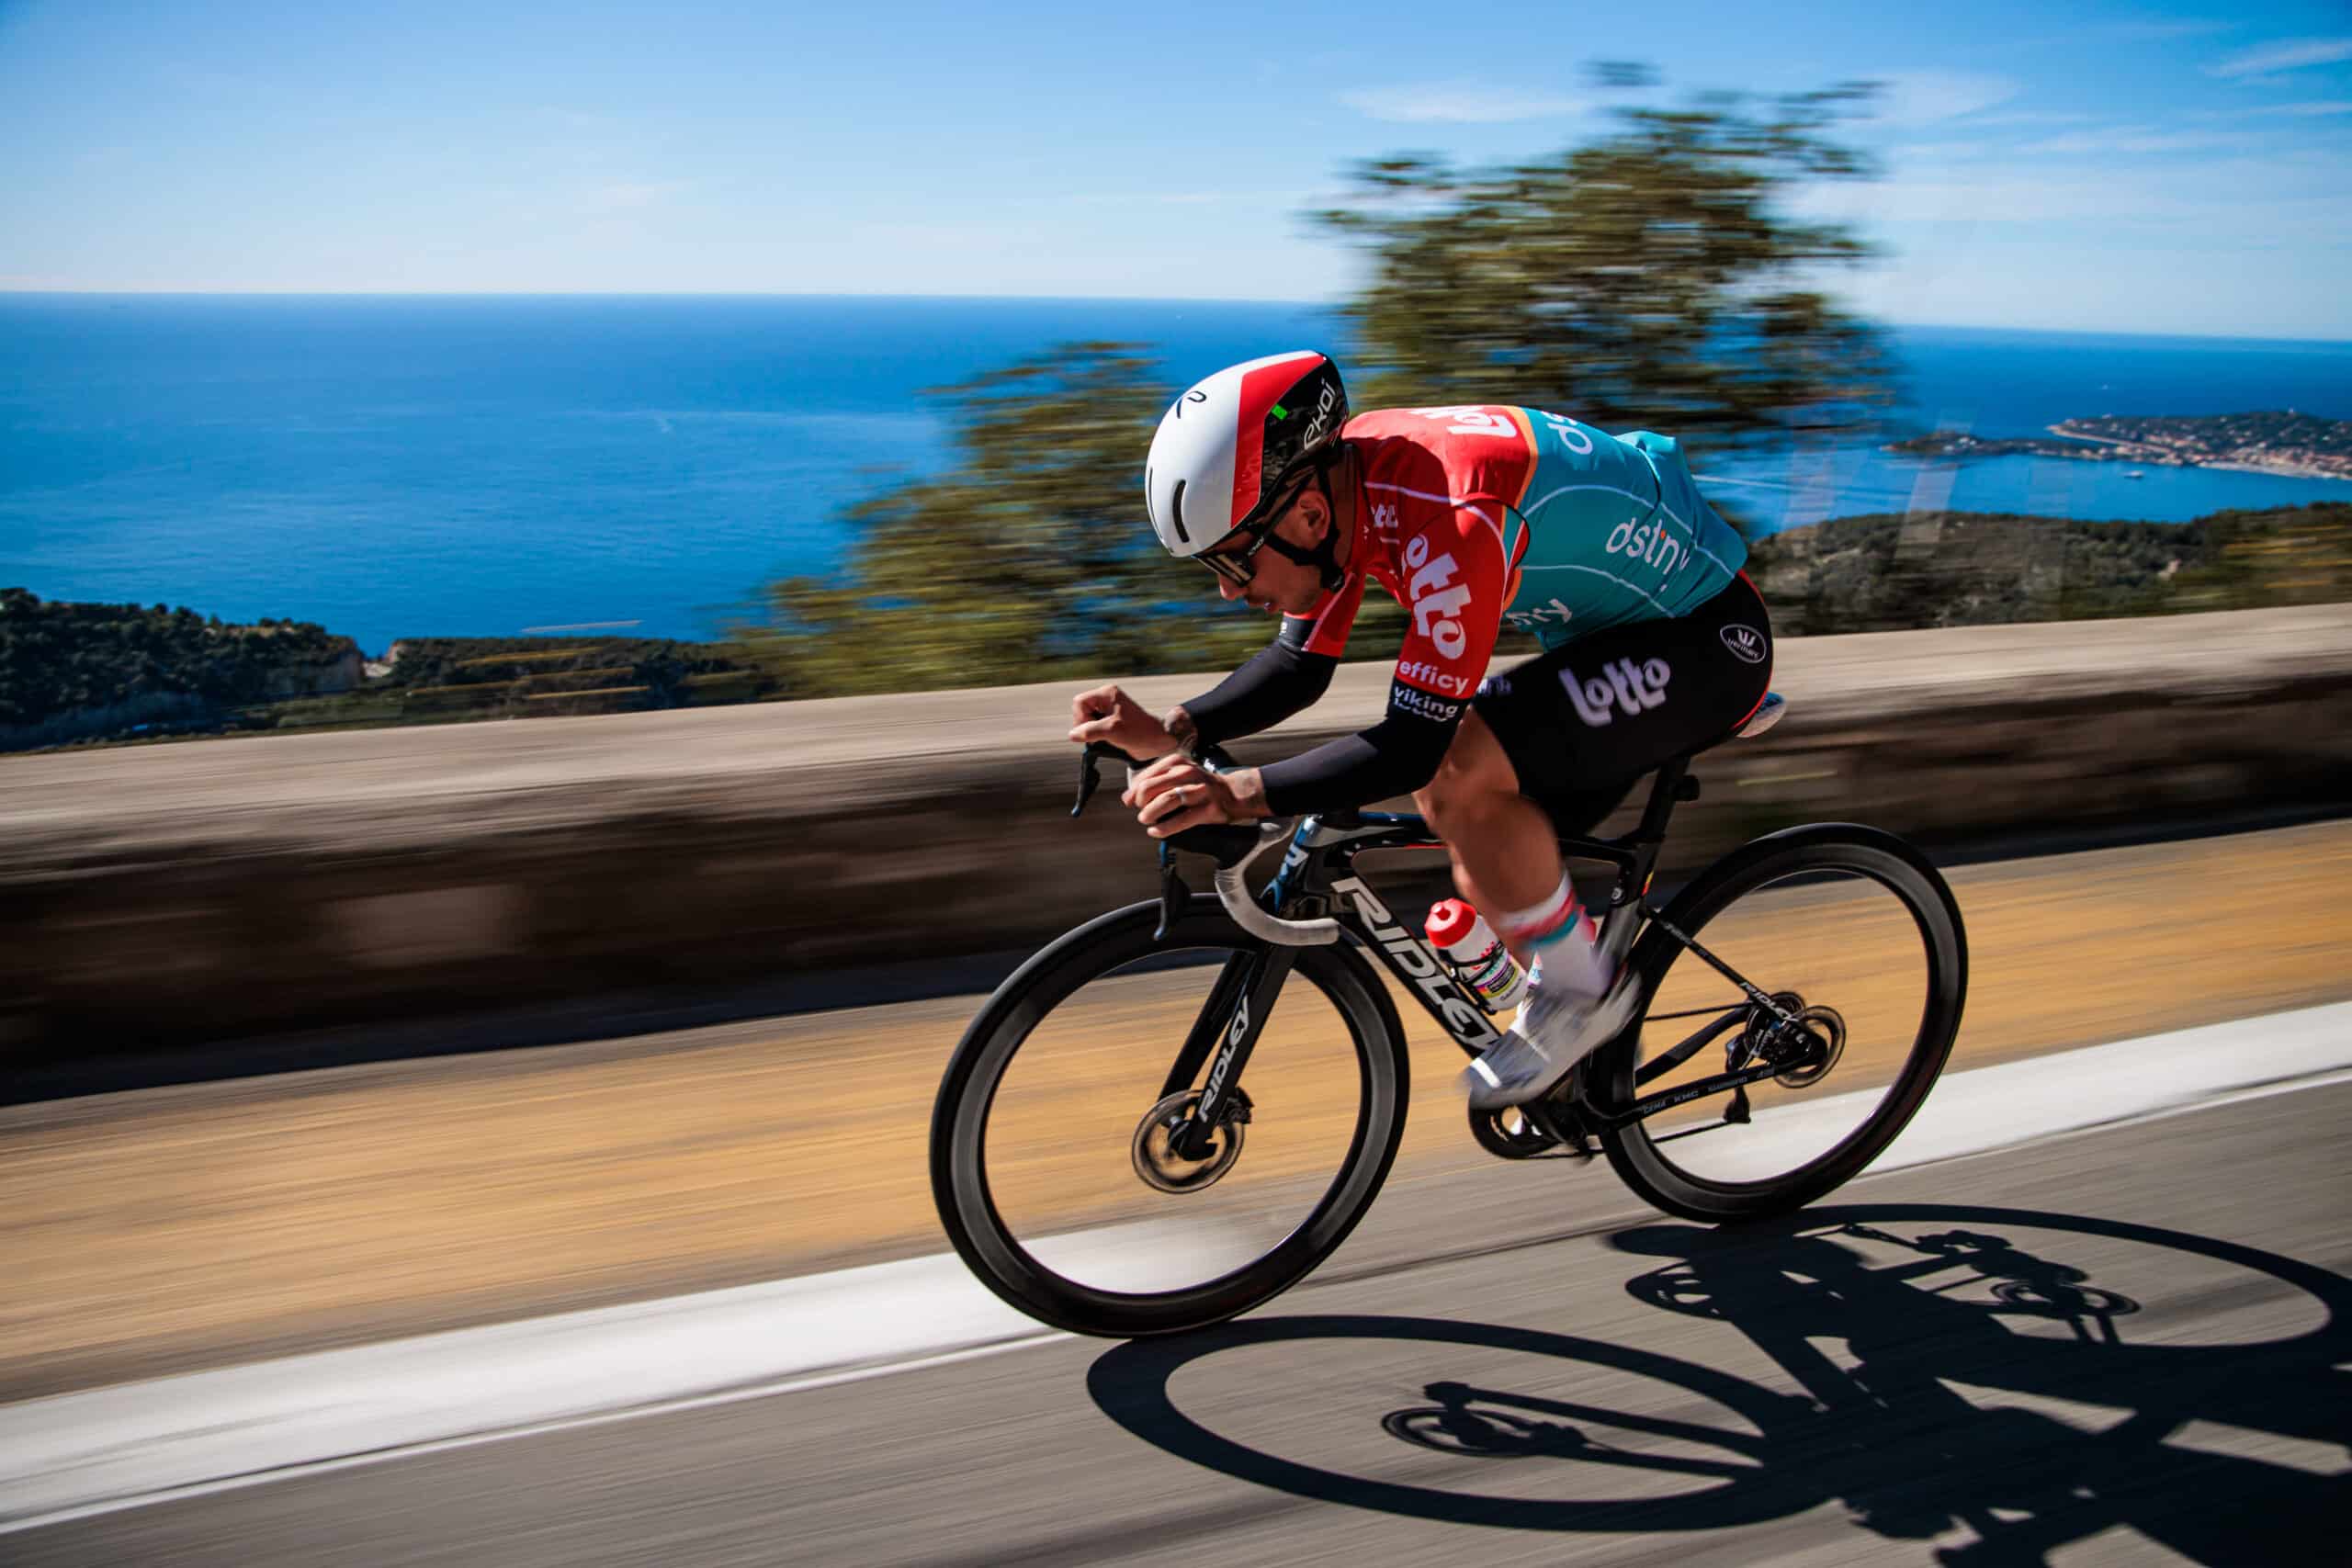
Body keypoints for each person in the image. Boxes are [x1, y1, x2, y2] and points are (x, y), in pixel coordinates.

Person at [1069, 351, 1775, 1109]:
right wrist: (1175, 728)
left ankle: (1587, 999)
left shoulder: (1449, 516)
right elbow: (1297, 669)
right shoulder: (1347, 487)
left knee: (1456, 775)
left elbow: (1414, 745)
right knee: (1485, 860)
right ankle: (1580, 1030)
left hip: (1704, 642)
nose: (1226, 589)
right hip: (1613, 641)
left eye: (1235, 561)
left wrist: (1235, 793)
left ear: (1304, 516)